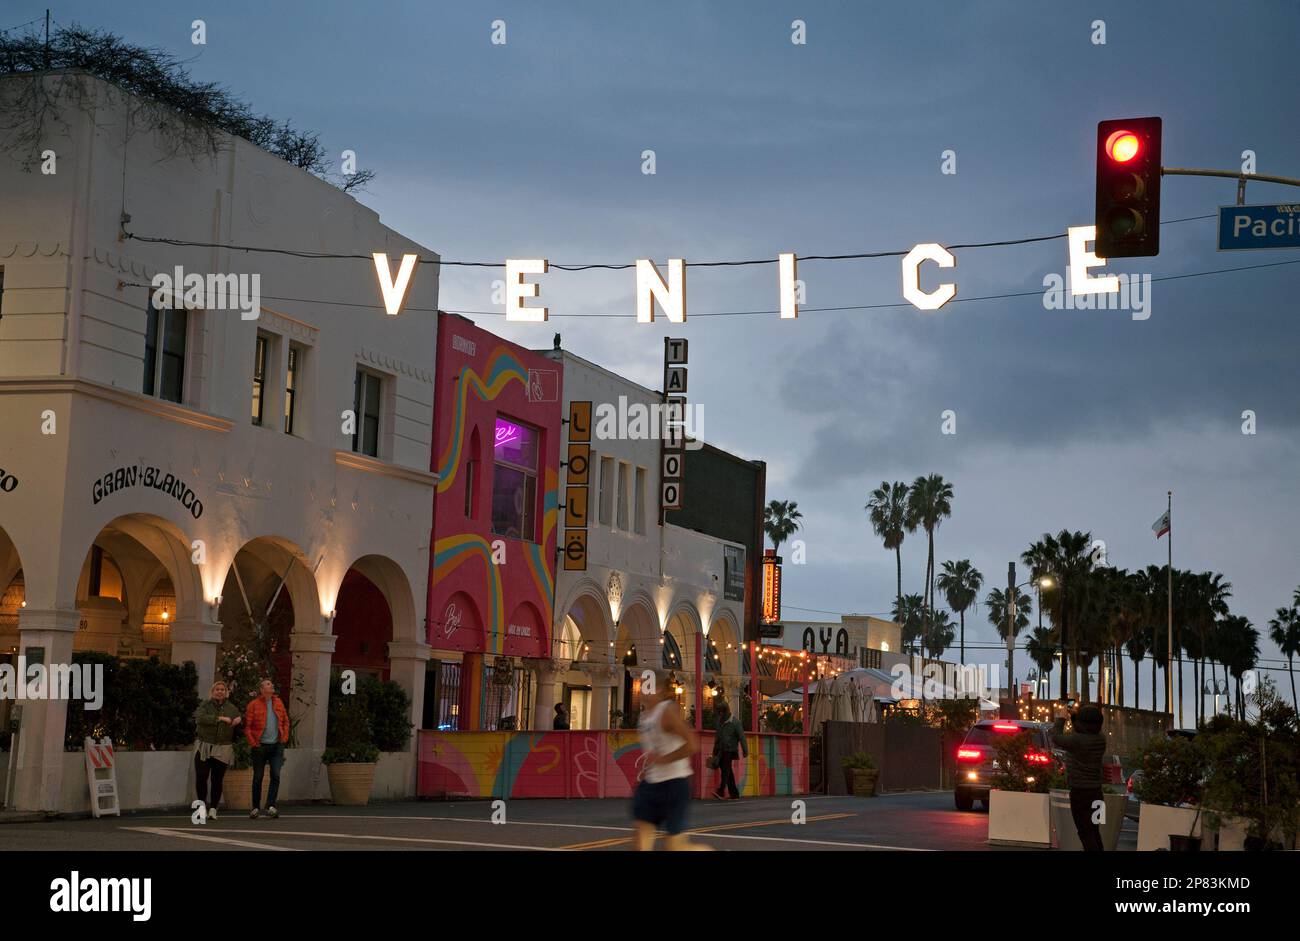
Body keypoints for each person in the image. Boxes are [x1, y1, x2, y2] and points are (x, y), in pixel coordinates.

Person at [632, 669, 710, 851]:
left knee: (674, 848)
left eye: (646, 685)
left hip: (674, 783)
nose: (641, 688)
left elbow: (692, 744)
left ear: (658, 688)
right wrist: (650, 765)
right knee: (640, 841)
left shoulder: (666, 712)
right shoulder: (643, 716)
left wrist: (664, 759)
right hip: (651, 784)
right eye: (641, 684)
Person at [1051, 703, 1107, 851]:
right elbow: (1083, 727)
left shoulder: (1077, 741)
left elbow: (1056, 737)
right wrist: (1074, 715)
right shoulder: (1101, 739)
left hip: (1080, 793)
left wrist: (1061, 718)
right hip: (1097, 793)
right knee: (1094, 831)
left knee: (1084, 832)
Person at [192, 680, 241, 820]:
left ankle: (213, 808)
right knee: (201, 777)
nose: (220, 691)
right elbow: (199, 718)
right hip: (205, 746)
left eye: (222, 689)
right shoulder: (205, 705)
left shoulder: (232, 708)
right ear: (212, 692)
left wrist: (238, 720)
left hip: (223, 747)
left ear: (226, 692)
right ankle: (201, 808)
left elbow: (237, 720)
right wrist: (219, 718)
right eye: (217, 689)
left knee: (217, 779)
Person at [244, 678, 289, 819]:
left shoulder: (278, 702)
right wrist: (253, 743)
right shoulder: (254, 705)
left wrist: (284, 737)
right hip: (260, 746)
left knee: (276, 775)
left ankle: (271, 805)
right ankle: (255, 807)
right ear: (262, 689)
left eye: (272, 684)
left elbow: (286, 721)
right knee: (258, 777)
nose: (272, 686)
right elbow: (248, 727)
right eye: (269, 684)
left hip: (276, 745)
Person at [711, 701, 747, 800]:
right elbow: (717, 737)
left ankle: (721, 791)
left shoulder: (735, 722)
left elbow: (741, 737)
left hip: (730, 749)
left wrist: (745, 750)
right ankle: (734, 794)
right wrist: (714, 751)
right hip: (721, 750)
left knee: (725, 770)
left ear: (726, 711)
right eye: (719, 712)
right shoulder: (719, 722)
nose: (720, 714)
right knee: (727, 771)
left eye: (722, 712)